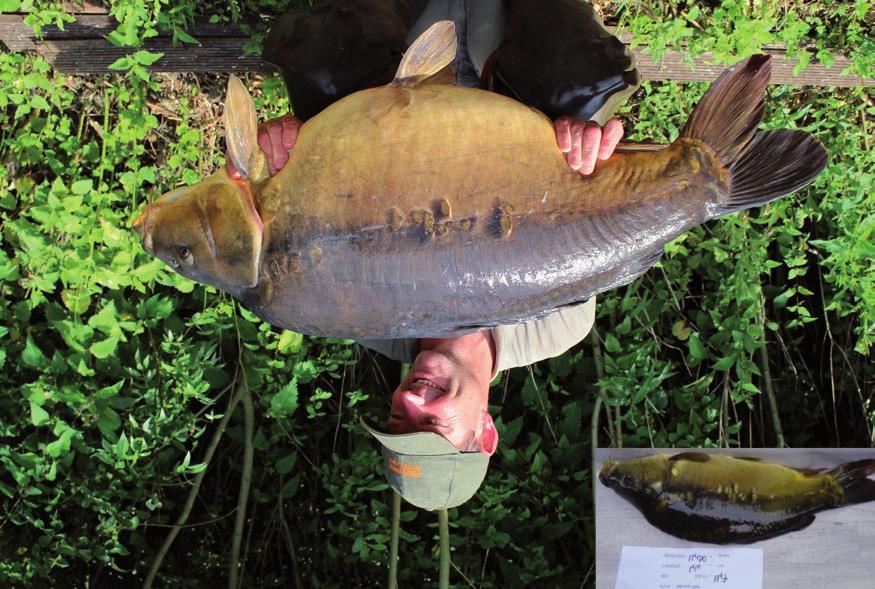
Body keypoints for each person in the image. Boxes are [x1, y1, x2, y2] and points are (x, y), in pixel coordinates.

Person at [227, 0, 639, 510]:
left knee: (321, 63)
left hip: (411, 80)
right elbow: (595, 192)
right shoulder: (561, 324)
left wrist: (286, 151)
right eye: (430, 423)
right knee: (577, 79)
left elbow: (301, 191)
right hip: (511, 86)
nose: (412, 399)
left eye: (399, 417)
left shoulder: (362, 318)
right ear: (485, 432)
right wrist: (588, 148)